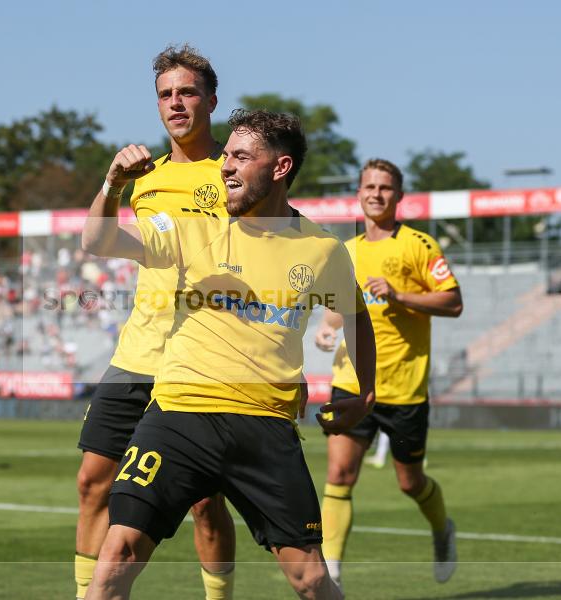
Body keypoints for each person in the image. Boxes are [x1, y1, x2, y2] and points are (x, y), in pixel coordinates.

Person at [82, 109, 377, 600]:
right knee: (118, 555)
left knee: (309, 577)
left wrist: (366, 392)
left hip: (264, 424)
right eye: (225, 156)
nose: (225, 166)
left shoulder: (323, 250)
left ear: (279, 168)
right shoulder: (192, 228)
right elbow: (98, 240)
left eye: (241, 156)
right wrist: (112, 184)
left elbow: (357, 316)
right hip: (179, 414)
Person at [73, 44, 236, 600]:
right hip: (137, 353)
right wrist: (112, 182)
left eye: (187, 91)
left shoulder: (237, 172)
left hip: (203, 361)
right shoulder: (143, 179)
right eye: (166, 94)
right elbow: (96, 242)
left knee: (205, 504)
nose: (176, 103)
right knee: (93, 484)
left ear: (212, 100)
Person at [315, 158, 463, 588]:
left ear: (399, 196)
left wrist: (399, 294)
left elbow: (453, 302)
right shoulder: (346, 252)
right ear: (358, 195)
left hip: (405, 389)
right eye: (369, 187)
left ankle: (441, 529)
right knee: (339, 475)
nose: (376, 194)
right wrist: (328, 327)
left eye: (385, 188)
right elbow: (339, 308)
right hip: (353, 380)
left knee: (409, 482)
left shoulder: (420, 246)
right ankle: (333, 576)